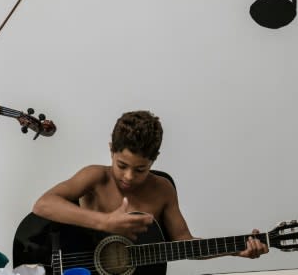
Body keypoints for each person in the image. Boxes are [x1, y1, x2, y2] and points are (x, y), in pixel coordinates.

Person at [32, 110, 268, 259]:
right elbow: (43, 205)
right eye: (122, 165)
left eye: (140, 169)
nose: (129, 176)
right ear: (111, 151)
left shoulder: (163, 189)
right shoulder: (95, 177)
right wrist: (104, 221)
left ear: (154, 160)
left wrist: (235, 249)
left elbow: (184, 242)